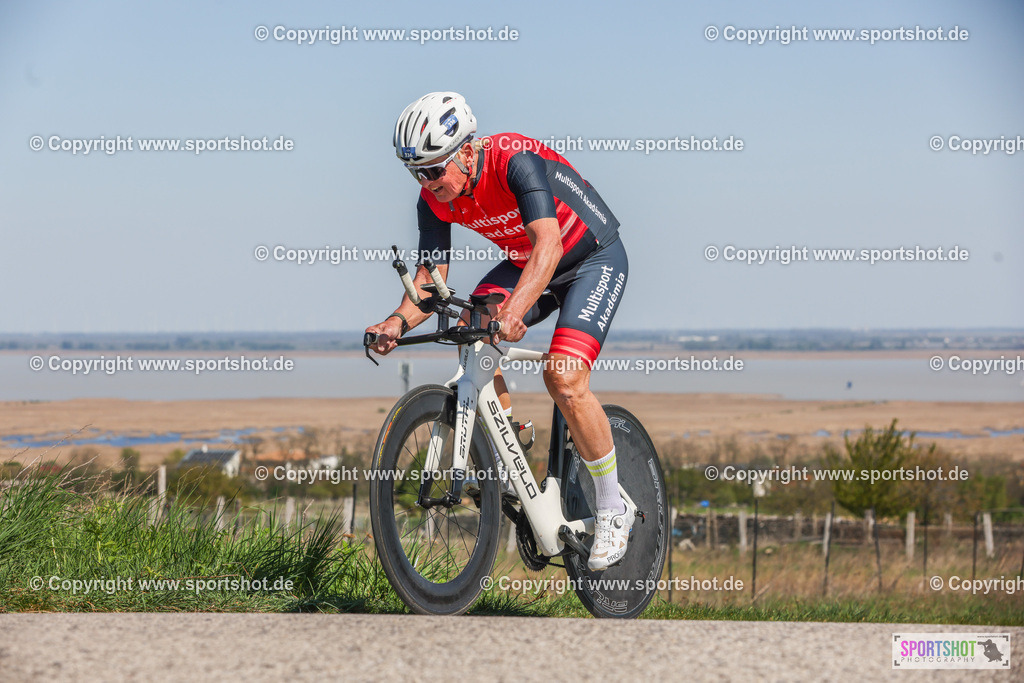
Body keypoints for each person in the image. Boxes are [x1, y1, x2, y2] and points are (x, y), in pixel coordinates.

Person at [365, 92, 631, 570]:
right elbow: (430, 281)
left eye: (432, 169)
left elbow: (547, 244)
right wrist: (396, 321)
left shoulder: (514, 160)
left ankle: (614, 507)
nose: (426, 182)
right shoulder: (434, 199)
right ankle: (512, 440)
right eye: (416, 172)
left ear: (466, 151)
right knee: (471, 328)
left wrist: (515, 312)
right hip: (527, 263)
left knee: (564, 377)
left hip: (590, 257)